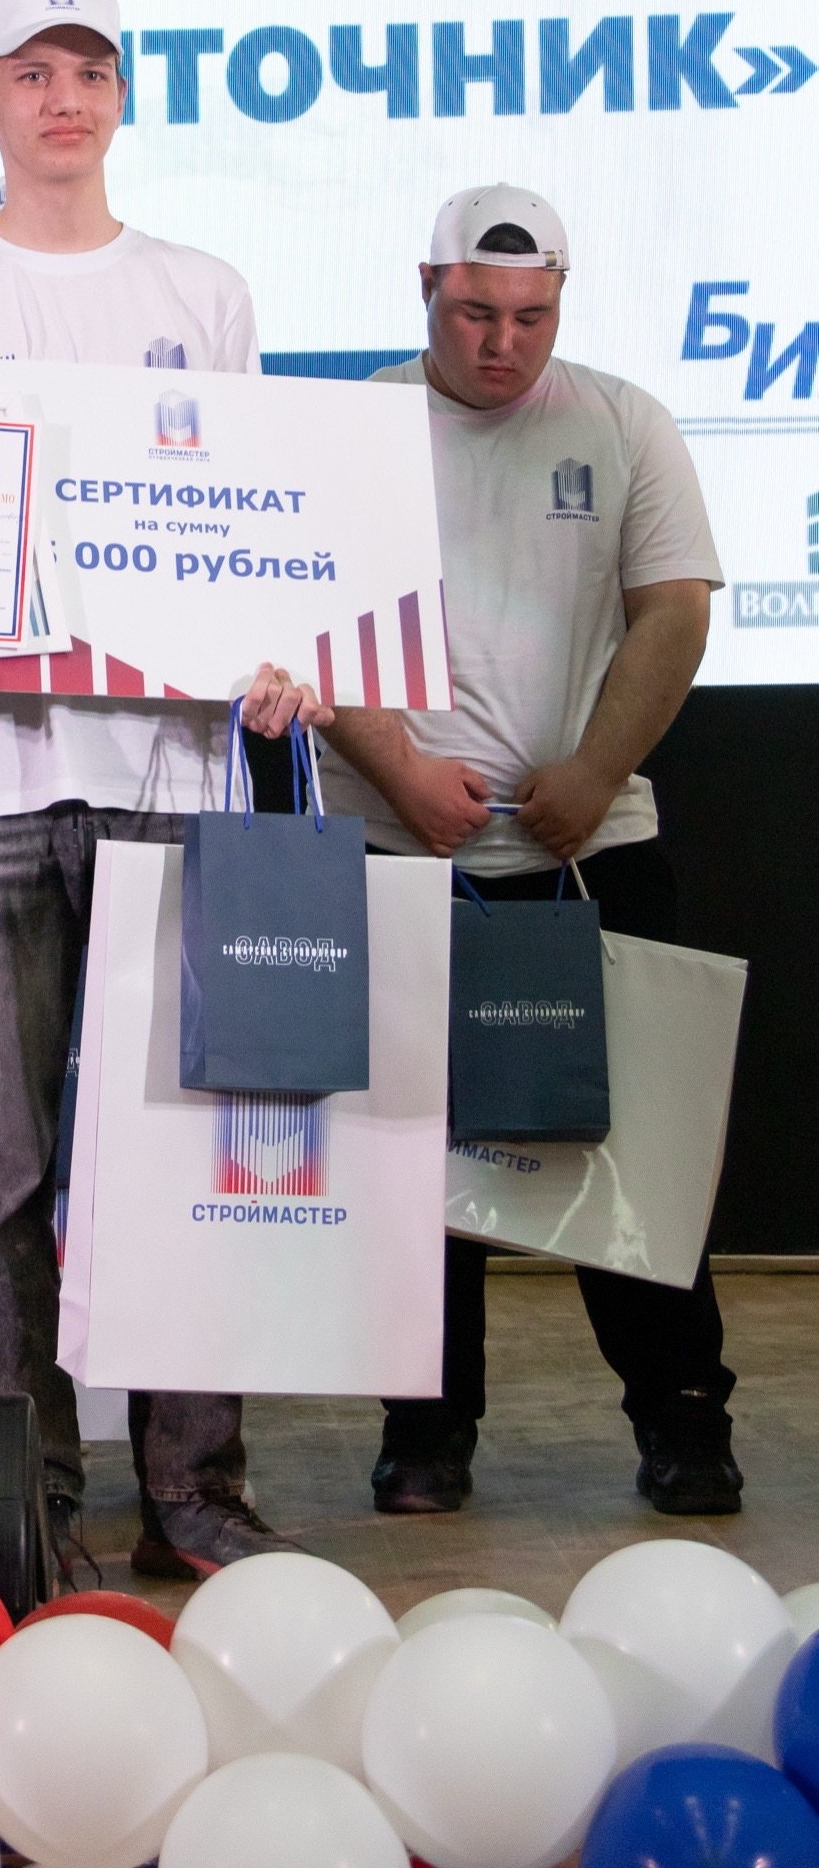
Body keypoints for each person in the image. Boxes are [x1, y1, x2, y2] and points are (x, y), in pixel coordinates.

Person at [0, 0, 328, 1581]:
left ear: (121, 95)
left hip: (173, 770)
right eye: (32, 73)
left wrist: (278, 651)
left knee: (183, 1154)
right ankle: (30, 1500)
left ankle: (195, 1493)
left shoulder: (203, 291)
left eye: (91, 71)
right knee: (7, 1169)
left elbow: (263, 523)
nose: (64, 99)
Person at [320, 183, 737, 1518]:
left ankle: (682, 1416)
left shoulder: (622, 422)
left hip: (592, 843)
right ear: (424, 289)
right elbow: (307, 612)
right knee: (411, 1160)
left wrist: (595, 770)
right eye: (474, 314)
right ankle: (424, 1430)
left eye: (529, 317)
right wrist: (396, 765)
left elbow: (672, 611)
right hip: (396, 837)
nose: (501, 343)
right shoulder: (356, 429)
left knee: (631, 1151)